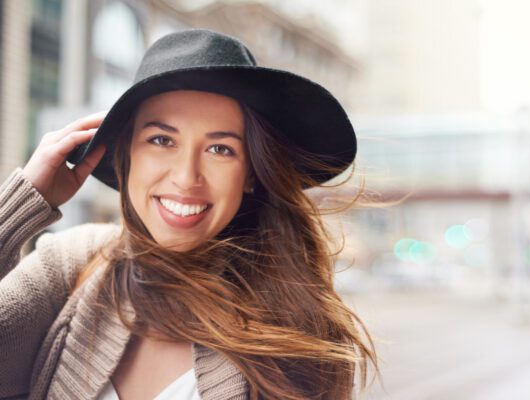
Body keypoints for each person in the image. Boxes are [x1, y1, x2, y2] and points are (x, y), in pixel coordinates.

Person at [0, 29, 378, 400]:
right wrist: (19, 209)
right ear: (126, 156)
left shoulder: (299, 328)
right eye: (162, 140)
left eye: (220, 149)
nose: (186, 178)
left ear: (250, 173)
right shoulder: (71, 265)